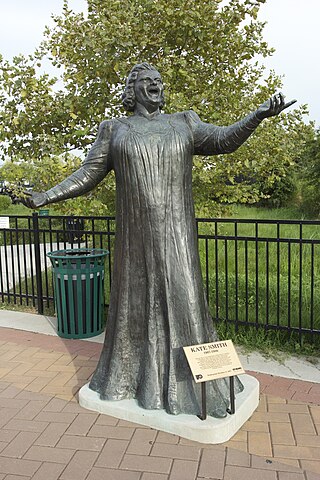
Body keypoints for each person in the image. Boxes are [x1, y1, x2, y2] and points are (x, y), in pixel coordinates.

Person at [24, 63, 296, 418]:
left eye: (158, 80)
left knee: (185, 300)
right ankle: (132, 380)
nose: (155, 84)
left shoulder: (184, 122)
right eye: (146, 80)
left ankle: (192, 386)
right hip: (134, 239)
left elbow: (222, 139)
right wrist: (46, 196)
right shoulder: (114, 129)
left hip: (177, 236)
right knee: (134, 307)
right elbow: (88, 173)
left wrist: (256, 117)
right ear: (132, 89)